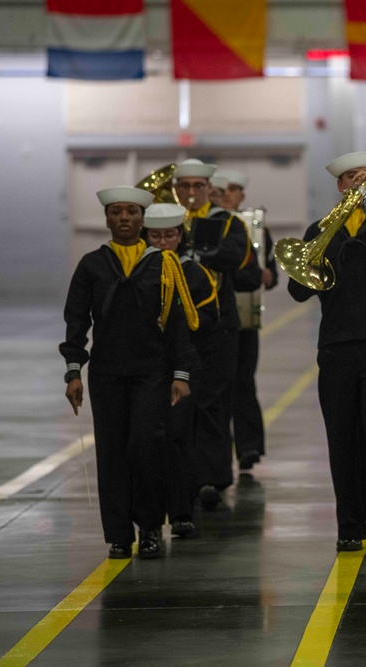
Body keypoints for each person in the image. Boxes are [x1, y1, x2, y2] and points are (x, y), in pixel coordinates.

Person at [60, 186, 196, 560]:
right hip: (105, 374)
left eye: (132, 212)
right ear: (106, 218)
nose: (124, 218)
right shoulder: (92, 264)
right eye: (117, 212)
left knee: (146, 446)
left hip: (151, 373)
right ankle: (119, 535)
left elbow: (178, 322)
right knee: (112, 452)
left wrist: (180, 374)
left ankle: (150, 527)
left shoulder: (163, 264)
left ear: (142, 219)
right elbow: (76, 319)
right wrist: (73, 370)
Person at [287, 151, 366, 556]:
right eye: (351, 178)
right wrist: (316, 254)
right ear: (339, 186)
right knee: (341, 437)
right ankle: (350, 525)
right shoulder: (320, 229)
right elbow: (298, 290)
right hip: (337, 344)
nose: (358, 182)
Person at [174, 158, 256, 510]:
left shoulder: (228, 223)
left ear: (210, 189)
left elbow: (236, 258)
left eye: (198, 186)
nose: (191, 193)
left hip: (219, 326)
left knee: (214, 401)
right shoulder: (168, 222)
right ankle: (184, 476)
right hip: (179, 326)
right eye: (185, 187)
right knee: (181, 405)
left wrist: (197, 253)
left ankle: (212, 477)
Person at [142, 202, 220, 539]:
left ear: (180, 236)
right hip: (144, 368)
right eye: (156, 236)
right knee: (146, 443)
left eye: (170, 235)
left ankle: (182, 512)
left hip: (184, 366)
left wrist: (181, 324)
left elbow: (210, 316)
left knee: (179, 438)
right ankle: (148, 519)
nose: (163, 242)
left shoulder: (194, 272)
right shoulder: (138, 270)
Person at [215, 168, 279, 471]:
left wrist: (266, 275)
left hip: (245, 321)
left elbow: (272, 273)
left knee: (243, 382)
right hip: (215, 320)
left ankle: (249, 447)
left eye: (234, 189)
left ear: (242, 195)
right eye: (223, 189)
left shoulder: (257, 229)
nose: (228, 194)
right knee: (217, 387)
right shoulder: (209, 225)